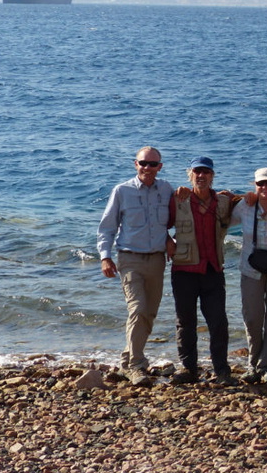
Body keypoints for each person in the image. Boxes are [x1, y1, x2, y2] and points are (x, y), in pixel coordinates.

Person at [96, 146, 174, 387]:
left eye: (153, 164)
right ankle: (137, 366)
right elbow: (107, 227)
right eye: (143, 163)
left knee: (148, 314)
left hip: (157, 260)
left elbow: (173, 221)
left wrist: (171, 240)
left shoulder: (167, 189)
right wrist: (105, 257)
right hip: (130, 259)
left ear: (160, 166)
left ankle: (126, 360)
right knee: (138, 309)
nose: (147, 168)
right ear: (135, 164)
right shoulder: (122, 191)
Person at [168, 156, 236, 386]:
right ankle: (189, 369)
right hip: (184, 270)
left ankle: (222, 371)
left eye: (206, 172)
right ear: (190, 175)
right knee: (185, 322)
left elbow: (252, 200)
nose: (201, 176)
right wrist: (166, 241)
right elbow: (158, 223)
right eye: (197, 172)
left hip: (213, 270)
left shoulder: (224, 202)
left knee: (218, 322)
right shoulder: (178, 200)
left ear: (212, 176)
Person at [230, 167, 267, 383]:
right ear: (254, 186)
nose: (264, 187)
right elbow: (221, 219)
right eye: (260, 184)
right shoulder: (244, 207)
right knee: (253, 319)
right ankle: (252, 366)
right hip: (250, 270)